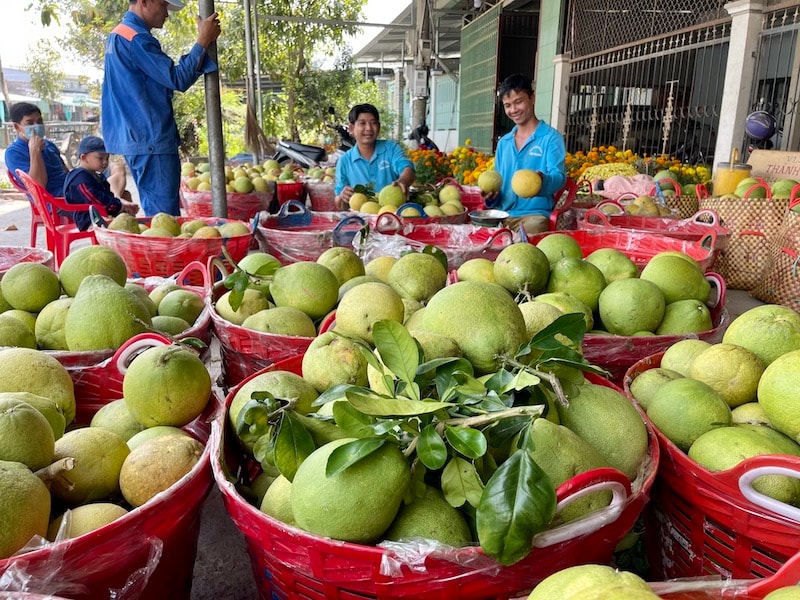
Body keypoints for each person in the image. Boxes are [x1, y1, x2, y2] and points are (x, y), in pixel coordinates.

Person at [101, 0, 221, 216]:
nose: (167, 13)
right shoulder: (136, 38)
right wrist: (203, 41)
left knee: (157, 216)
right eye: (164, 5)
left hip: (137, 140)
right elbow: (177, 78)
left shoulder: (118, 35)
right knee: (165, 220)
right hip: (150, 141)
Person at [487, 74, 567, 234]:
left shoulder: (551, 138)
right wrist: (490, 195)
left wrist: (542, 180)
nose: (513, 110)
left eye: (519, 102)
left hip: (534, 216)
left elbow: (559, 178)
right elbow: (498, 183)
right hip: (502, 215)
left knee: (525, 246)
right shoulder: (504, 143)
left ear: (532, 98)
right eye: (507, 105)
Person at [334, 104, 415, 209]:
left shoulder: (391, 148)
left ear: (379, 127)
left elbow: (407, 168)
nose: (368, 128)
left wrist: (403, 181)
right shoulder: (344, 161)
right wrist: (342, 197)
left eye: (373, 123)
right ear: (351, 128)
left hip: (393, 216)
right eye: (362, 123)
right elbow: (338, 201)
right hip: (362, 220)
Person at [63, 136, 139, 231]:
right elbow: (96, 200)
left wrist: (122, 205)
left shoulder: (98, 176)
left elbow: (108, 196)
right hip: (90, 220)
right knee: (122, 229)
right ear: (84, 158)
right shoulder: (79, 179)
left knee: (128, 222)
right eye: (100, 158)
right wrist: (119, 206)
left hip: (105, 214)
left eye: (107, 158)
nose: (105, 162)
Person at [5, 102, 69, 198]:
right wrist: (35, 151)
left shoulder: (49, 145)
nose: (37, 126)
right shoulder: (13, 153)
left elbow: (67, 174)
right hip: (53, 201)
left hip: (70, 191)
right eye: (30, 123)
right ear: (17, 127)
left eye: (39, 121)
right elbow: (38, 186)